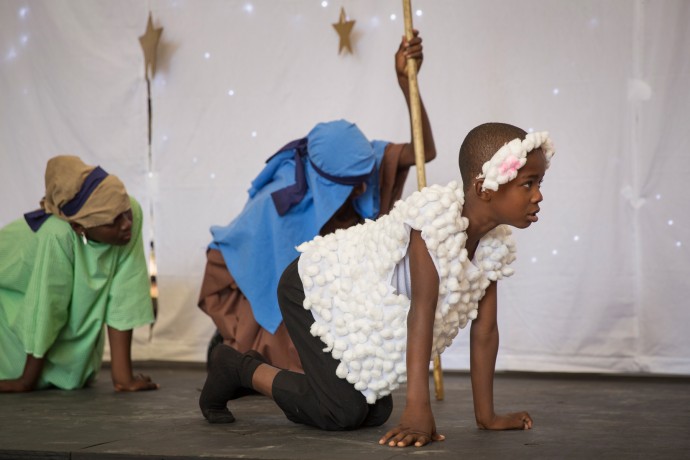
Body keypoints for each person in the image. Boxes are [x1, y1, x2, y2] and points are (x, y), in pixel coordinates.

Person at [198, 122, 556, 447]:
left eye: (539, 183)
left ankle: (256, 374)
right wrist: (418, 409)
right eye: (528, 183)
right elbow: (421, 314)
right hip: (312, 286)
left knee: (375, 409)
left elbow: (485, 331)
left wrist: (487, 416)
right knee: (342, 411)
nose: (538, 195)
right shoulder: (431, 224)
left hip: (354, 313)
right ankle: (237, 368)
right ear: (485, 188)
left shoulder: (494, 244)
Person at [198, 30, 435, 371]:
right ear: (324, 182)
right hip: (291, 300)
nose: (361, 191)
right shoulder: (277, 202)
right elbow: (223, 255)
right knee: (297, 369)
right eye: (350, 187)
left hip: (338, 299)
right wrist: (243, 319)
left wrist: (405, 83)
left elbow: (425, 152)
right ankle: (236, 353)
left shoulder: (361, 165)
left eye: (364, 180)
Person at [0, 155, 159, 393]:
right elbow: (45, 307)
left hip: (47, 319)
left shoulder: (130, 213)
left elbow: (125, 294)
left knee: (73, 375)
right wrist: (25, 381)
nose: (126, 224)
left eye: (125, 212)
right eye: (112, 221)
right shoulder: (57, 235)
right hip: (13, 307)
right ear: (79, 227)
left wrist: (123, 378)